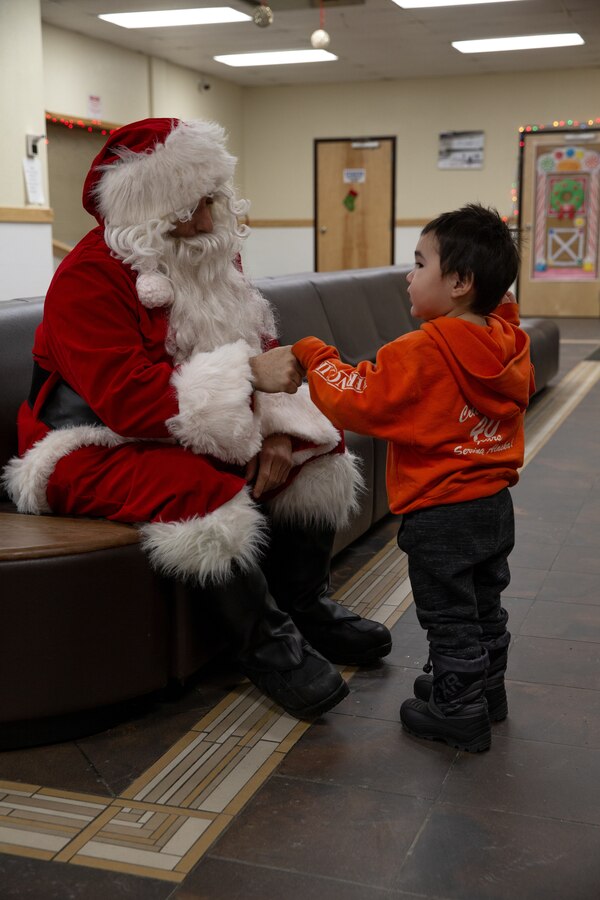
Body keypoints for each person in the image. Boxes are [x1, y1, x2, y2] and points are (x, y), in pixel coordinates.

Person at [3, 118, 392, 720]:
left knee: (319, 440)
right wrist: (247, 379)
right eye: (191, 208)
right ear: (149, 209)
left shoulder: (210, 254)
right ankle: (267, 648)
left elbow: (264, 352)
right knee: (197, 489)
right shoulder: (88, 278)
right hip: (86, 443)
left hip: (189, 426)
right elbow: (129, 402)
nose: (209, 221)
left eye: (211, 199)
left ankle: (305, 605)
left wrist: (282, 433)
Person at [286, 204, 534, 752]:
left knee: (448, 616)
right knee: (485, 603)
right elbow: (505, 314)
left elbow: (359, 400)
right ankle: (486, 691)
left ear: (461, 282)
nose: (408, 274)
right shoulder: (507, 343)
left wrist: (309, 354)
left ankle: (457, 708)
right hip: (493, 504)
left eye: (419, 263)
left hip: (441, 511)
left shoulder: (421, 349)